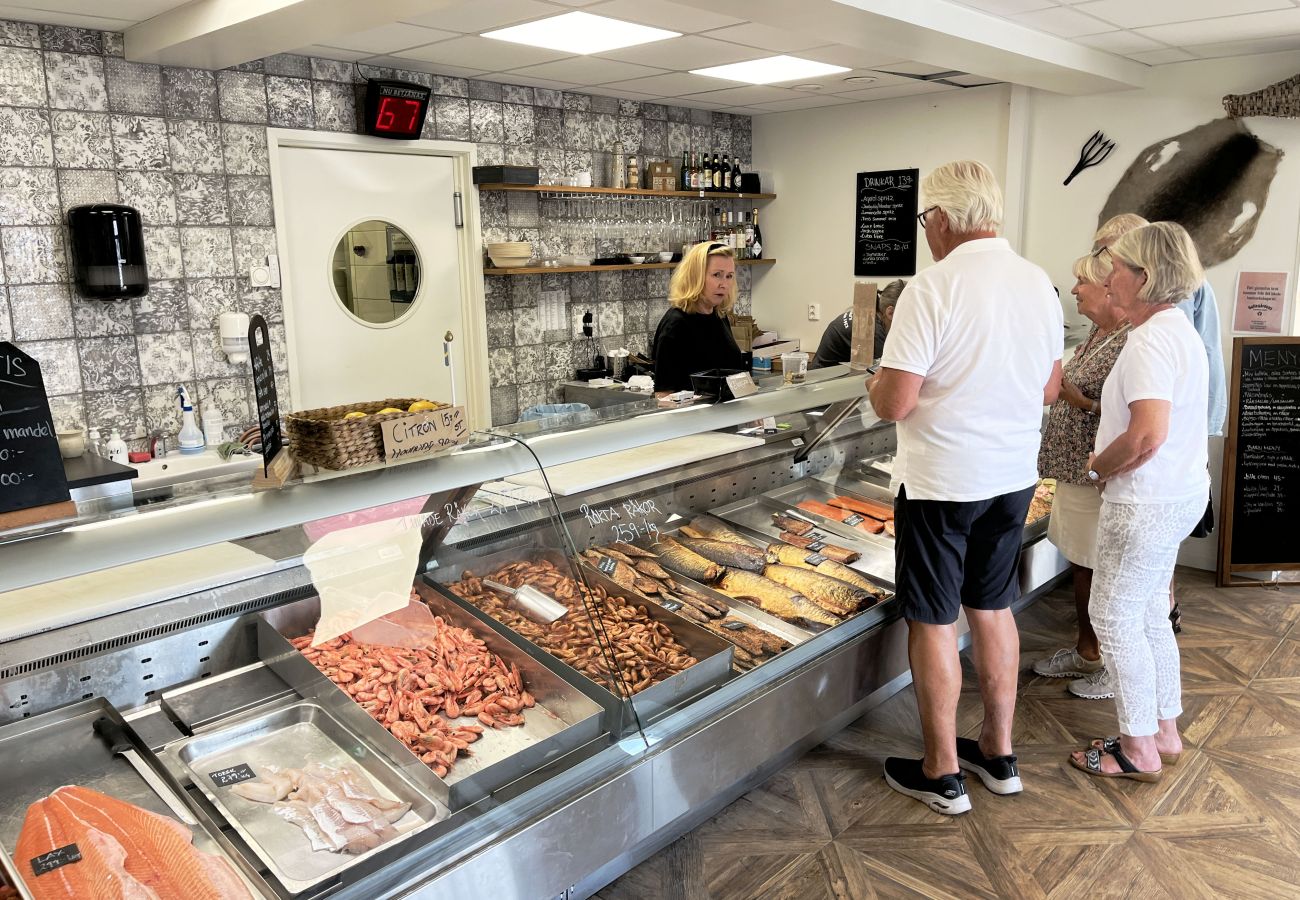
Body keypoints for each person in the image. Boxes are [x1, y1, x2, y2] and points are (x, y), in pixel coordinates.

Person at [868, 160, 1063, 814]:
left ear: (943, 220)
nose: (928, 232)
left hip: (942, 482)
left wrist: (874, 382)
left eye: (927, 220)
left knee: (932, 619)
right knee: (992, 607)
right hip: (1011, 478)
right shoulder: (1038, 283)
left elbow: (894, 403)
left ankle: (942, 770)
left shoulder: (932, 287)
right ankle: (999, 754)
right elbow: (1050, 388)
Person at [1069, 222, 1209, 781]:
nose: (1110, 277)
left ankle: (1136, 748)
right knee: (1150, 611)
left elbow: (1148, 433)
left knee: (1113, 617)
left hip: (1146, 501)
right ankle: (1163, 729)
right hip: (1180, 495)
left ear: (1144, 277)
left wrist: (1097, 466)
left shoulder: (1149, 339)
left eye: (1118, 267)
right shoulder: (1178, 329)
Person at [1032, 253, 1131, 682]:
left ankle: (1108, 662)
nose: (1074, 291)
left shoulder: (1133, 339)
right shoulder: (1097, 333)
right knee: (1082, 565)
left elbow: (1131, 416)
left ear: (1107, 288)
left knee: (1100, 570)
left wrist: (1081, 402)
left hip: (1097, 475)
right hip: (1073, 473)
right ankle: (1087, 650)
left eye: (1080, 282)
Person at [650, 242, 744, 392]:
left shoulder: (719, 316)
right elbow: (664, 395)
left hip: (726, 414)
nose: (724, 284)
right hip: (694, 414)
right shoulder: (676, 325)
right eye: (717, 275)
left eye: (729, 276)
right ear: (695, 276)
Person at [809, 279, 906, 368]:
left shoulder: (867, 316)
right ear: (890, 313)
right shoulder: (871, 331)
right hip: (824, 381)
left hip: (823, 374)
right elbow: (884, 374)